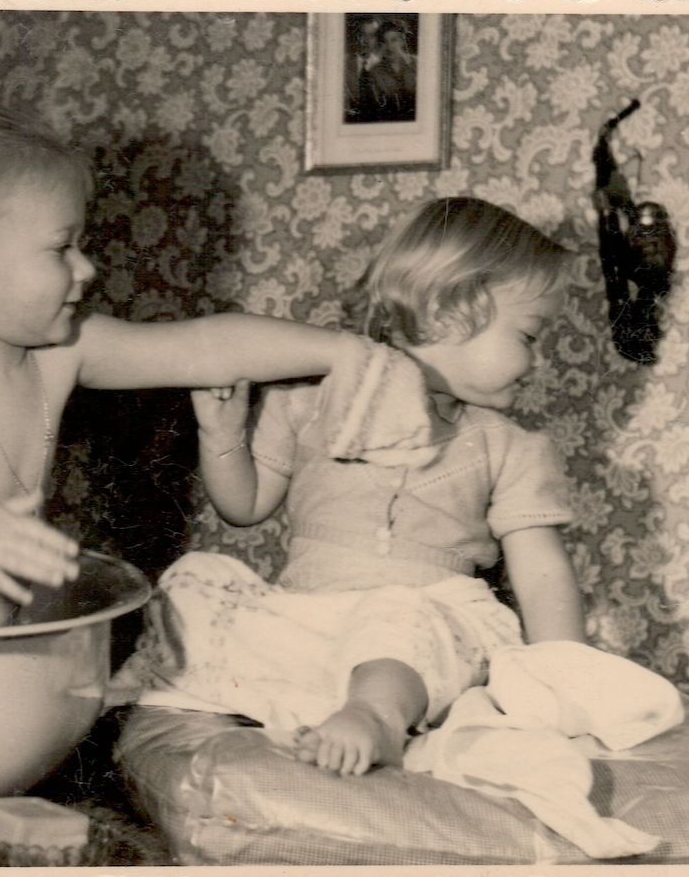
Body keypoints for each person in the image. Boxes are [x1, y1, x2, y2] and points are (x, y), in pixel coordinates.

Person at [0, 101, 372, 629]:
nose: (86, 270)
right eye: (62, 248)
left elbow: (206, 349)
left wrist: (344, 351)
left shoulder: (61, 356)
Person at [114, 197, 586, 776]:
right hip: (311, 622)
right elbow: (244, 505)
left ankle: (377, 720)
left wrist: (566, 677)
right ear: (450, 312)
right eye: (531, 337)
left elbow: (543, 574)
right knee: (195, 580)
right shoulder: (308, 403)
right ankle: (209, 695)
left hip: (424, 631)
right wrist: (223, 435)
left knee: (397, 616)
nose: (538, 362)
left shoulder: (508, 445)